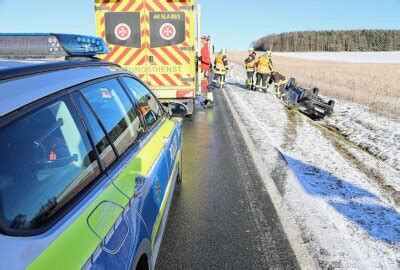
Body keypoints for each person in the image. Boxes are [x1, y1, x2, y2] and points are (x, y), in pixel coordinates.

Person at [200, 35, 213, 107]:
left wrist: (201, 58)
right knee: (204, 85)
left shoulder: (205, 48)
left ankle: (210, 100)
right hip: (203, 69)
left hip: (205, 69)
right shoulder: (204, 47)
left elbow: (208, 60)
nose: (202, 40)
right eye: (201, 39)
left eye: (203, 39)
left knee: (206, 85)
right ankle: (207, 99)